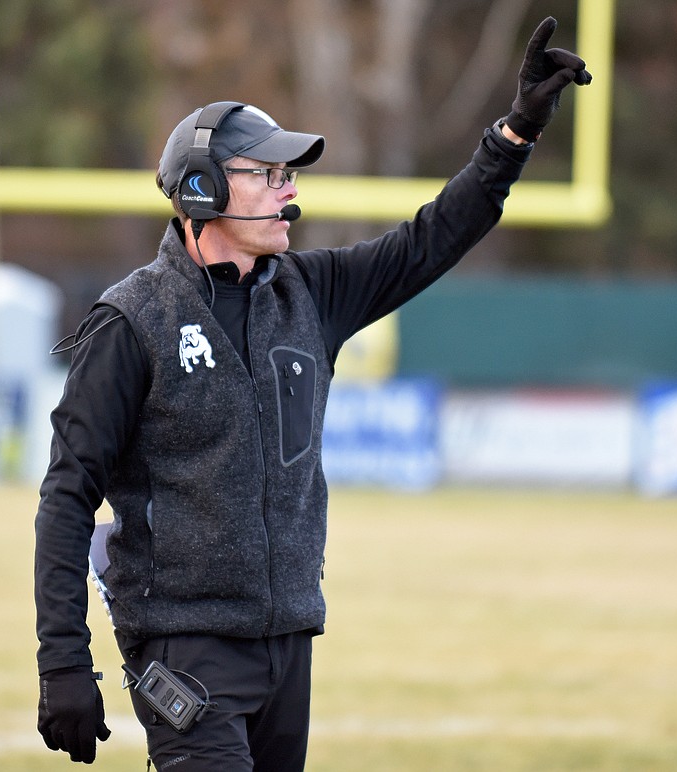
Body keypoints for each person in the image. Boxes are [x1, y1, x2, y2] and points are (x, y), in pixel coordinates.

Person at [34, 16, 591, 770]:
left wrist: (516, 132)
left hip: (288, 648)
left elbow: (435, 236)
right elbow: (68, 497)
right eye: (266, 173)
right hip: (185, 649)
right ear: (201, 190)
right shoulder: (133, 322)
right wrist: (64, 663)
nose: (287, 188)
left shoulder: (311, 293)